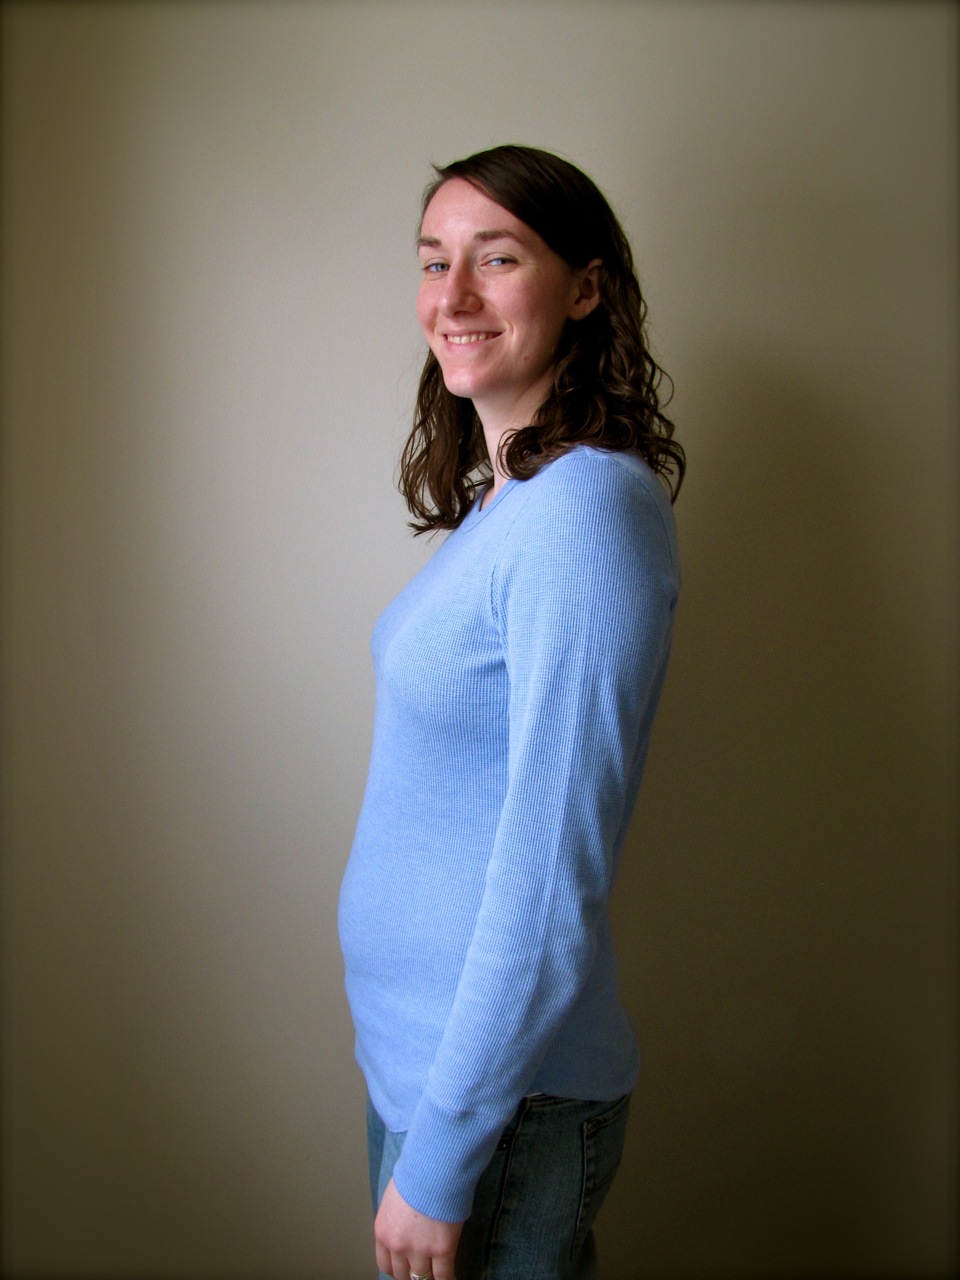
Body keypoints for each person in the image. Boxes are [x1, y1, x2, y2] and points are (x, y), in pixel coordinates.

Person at [338, 143, 684, 1280]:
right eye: (433, 261)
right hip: (438, 1078)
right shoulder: (513, 502)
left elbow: (549, 877)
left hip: (499, 1111)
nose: (453, 296)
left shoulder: (583, 515)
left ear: (584, 288)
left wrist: (443, 1160)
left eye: (497, 259)